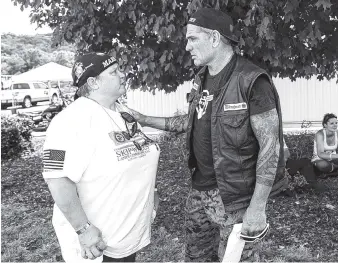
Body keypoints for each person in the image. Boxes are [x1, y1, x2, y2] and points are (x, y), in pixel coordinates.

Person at [128, 8, 288, 262]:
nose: (188, 46)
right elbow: (190, 122)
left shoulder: (252, 80)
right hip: (199, 191)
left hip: (235, 200)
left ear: (214, 38)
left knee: (236, 259)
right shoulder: (201, 78)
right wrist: (144, 119)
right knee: (196, 257)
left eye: (193, 39)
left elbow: (270, 147)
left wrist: (258, 207)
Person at [42, 53, 160, 262]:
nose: (123, 75)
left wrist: (153, 191)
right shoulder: (69, 121)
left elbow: (139, 153)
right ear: (93, 82)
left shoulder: (122, 113)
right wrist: (83, 229)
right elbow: (57, 179)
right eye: (114, 72)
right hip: (97, 245)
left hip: (125, 236)